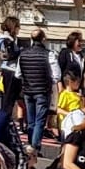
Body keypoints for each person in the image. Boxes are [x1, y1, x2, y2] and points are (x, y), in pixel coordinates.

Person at [16, 21, 60, 158]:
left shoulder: (23, 54)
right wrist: (48, 81)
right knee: (40, 120)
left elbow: (18, 74)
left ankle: (30, 144)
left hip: (28, 90)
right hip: (42, 91)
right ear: (43, 39)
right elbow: (56, 75)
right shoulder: (49, 54)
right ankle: (35, 147)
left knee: (31, 120)